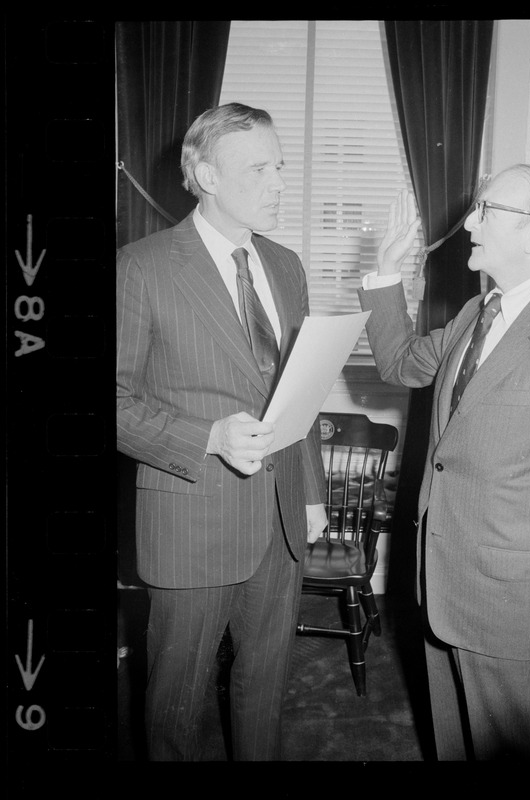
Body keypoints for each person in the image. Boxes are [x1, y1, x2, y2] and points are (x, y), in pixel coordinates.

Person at [359, 164, 530, 761]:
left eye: (486, 211)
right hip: (443, 587)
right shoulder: (478, 314)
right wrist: (387, 274)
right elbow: (399, 366)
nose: (469, 222)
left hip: (511, 606)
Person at [116, 102, 327, 761]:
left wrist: (313, 494)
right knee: (174, 708)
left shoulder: (288, 266)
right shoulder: (141, 268)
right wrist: (206, 436)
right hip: (191, 522)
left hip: (281, 517)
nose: (279, 183)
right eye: (258, 168)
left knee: (263, 692)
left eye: (281, 167)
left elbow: (303, 390)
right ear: (205, 175)